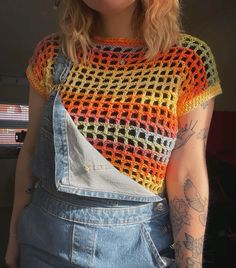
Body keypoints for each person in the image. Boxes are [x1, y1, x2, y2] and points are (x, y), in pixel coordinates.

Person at [5, 0, 223, 267]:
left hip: (135, 251)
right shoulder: (52, 54)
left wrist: (191, 262)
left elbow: (187, 172)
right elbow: (30, 151)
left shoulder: (187, 60)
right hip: (43, 243)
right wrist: (14, 236)